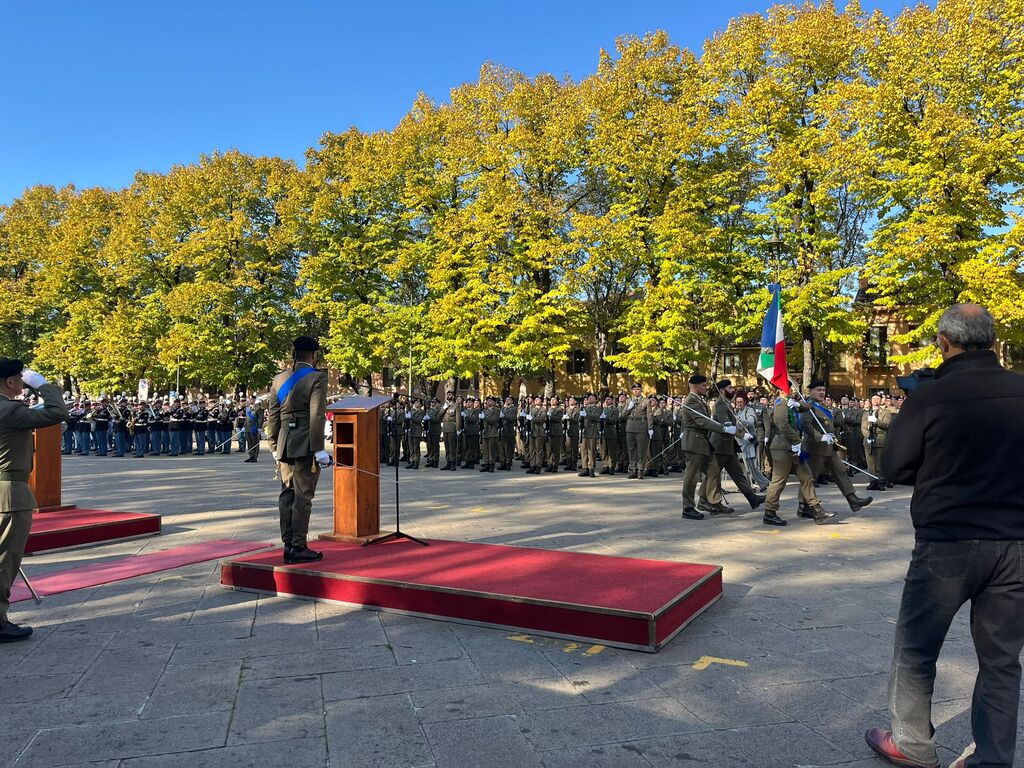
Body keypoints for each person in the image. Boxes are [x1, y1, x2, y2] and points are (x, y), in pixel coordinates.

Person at [865, 304, 1024, 768]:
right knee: (1002, 659)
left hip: (948, 541)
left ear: (943, 342)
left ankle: (913, 742)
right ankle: (994, 758)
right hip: (1015, 542)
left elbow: (894, 466)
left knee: (916, 646)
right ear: (993, 341)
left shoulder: (930, 397)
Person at [0, 359, 69, 641]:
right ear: (9, 382)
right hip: (10, 492)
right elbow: (57, 411)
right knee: (6, 558)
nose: (22, 383)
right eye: (20, 378)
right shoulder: (10, 409)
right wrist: (43, 386)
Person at [266, 335, 329, 565]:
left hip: (284, 443)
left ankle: (288, 545)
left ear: (295, 354)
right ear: (314, 355)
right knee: (303, 496)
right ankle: (299, 546)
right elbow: (317, 415)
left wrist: (273, 444)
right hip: (305, 443)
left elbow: (273, 416)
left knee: (287, 494)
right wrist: (319, 448)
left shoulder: (279, 379)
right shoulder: (316, 378)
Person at [796, 381, 873, 516]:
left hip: (829, 447)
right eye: (818, 390)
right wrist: (821, 437)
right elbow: (805, 425)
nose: (822, 393)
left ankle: (852, 499)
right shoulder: (807, 406)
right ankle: (803, 506)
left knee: (840, 471)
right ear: (810, 391)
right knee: (809, 478)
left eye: (823, 390)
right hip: (814, 448)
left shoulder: (821, 406)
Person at [762, 389, 835, 526]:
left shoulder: (789, 403)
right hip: (782, 447)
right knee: (779, 480)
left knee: (807, 477)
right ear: (782, 391)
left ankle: (816, 509)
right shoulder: (780, 405)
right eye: (790, 389)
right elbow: (782, 425)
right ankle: (769, 512)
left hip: (793, 448)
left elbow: (809, 406)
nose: (793, 391)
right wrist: (797, 441)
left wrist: (797, 404)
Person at [679, 375, 735, 520]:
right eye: (704, 385)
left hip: (702, 442)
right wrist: (723, 429)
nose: (706, 387)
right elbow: (702, 422)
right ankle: (688, 507)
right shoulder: (691, 401)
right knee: (691, 476)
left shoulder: (698, 399)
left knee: (714, 470)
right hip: (694, 442)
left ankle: (710, 501)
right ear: (695, 386)